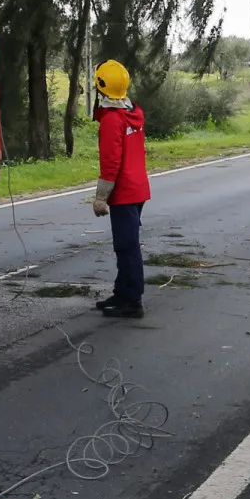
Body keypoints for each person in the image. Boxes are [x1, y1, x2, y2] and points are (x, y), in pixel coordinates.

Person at [91, 59, 149, 319]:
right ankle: (122, 291)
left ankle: (132, 300)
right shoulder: (133, 112)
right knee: (126, 245)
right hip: (138, 187)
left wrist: (101, 197)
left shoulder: (113, 121)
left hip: (124, 190)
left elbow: (111, 162)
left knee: (127, 246)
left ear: (102, 88)